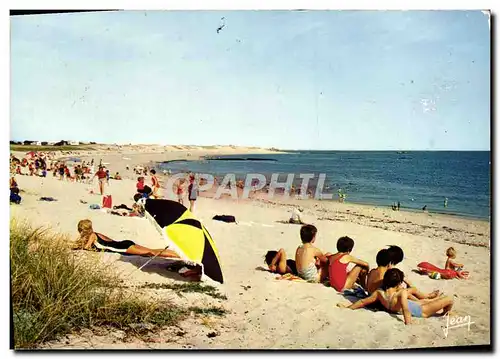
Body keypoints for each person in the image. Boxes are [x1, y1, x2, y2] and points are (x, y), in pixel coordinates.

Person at [337, 268, 454, 325]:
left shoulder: (379, 292)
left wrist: (347, 308)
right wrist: (408, 324)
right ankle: (444, 313)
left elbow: (362, 302)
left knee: (425, 300)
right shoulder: (401, 293)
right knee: (449, 299)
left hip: (416, 305)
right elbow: (406, 309)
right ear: (399, 283)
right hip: (422, 311)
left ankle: (433, 299)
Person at [74, 219, 181, 258]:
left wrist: (82, 246)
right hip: (123, 244)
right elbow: (109, 241)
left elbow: (87, 247)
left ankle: (178, 256)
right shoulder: (95, 234)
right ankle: (178, 254)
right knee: (152, 250)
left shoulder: (92, 236)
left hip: (123, 248)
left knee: (151, 253)